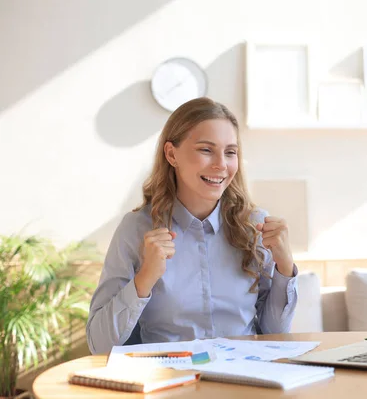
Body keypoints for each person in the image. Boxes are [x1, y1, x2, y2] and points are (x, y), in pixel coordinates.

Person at [86, 97, 298, 354]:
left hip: (244, 381)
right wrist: (145, 279)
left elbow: (274, 333)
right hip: (172, 383)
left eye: (230, 152)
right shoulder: (136, 229)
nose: (221, 164)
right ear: (171, 154)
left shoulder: (254, 226)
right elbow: (98, 346)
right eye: (206, 150)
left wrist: (285, 268)